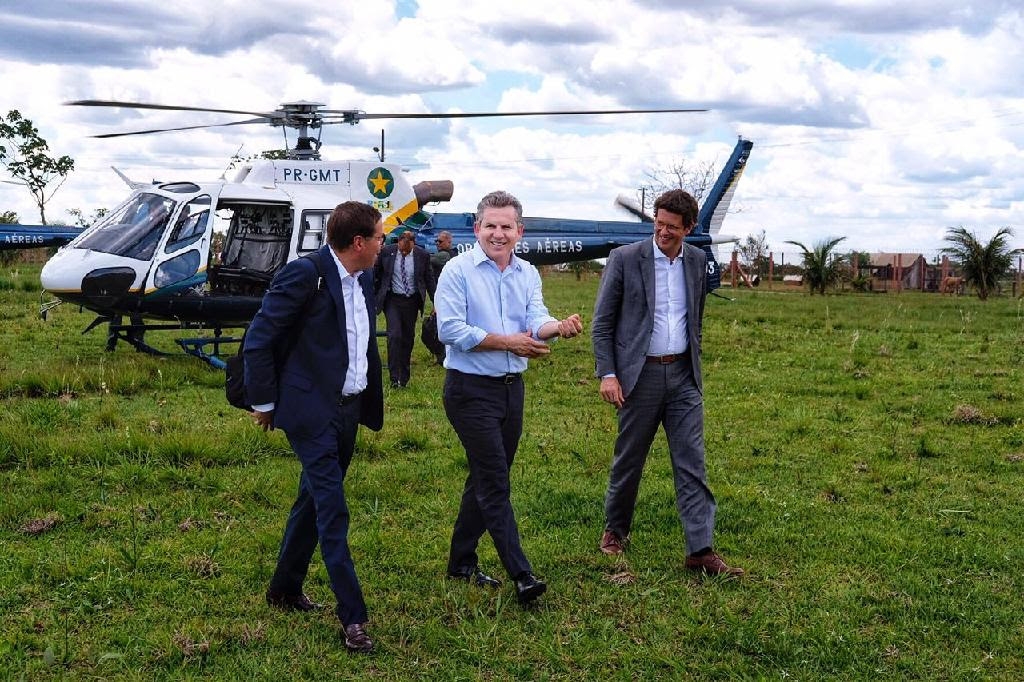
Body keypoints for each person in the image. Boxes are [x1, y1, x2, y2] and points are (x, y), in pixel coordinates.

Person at [244, 201, 385, 653]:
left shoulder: (364, 279)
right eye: (379, 237)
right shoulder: (305, 275)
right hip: (310, 412)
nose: (383, 244)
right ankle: (353, 618)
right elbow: (259, 338)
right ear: (358, 242)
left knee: (312, 501)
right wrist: (264, 402)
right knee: (332, 509)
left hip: (349, 410)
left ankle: (284, 588)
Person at [435, 190, 583, 604]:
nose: (498, 234)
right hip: (468, 390)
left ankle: (461, 563)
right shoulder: (457, 270)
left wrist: (558, 327)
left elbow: (535, 320)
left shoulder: (527, 273)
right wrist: (507, 342)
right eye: (490, 226)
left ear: (520, 231)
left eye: (506, 226)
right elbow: (449, 330)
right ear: (476, 228)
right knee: (495, 481)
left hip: (510, 390)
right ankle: (522, 574)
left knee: (486, 476)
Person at [591, 189, 743, 577]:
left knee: (692, 463)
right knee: (629, 459)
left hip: (683, 377)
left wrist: (692, 362)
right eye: (658, 224)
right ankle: (615, 531)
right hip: (638, 377)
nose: (662, 232)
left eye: (672, 227)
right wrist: (608, 373)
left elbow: (696, 319)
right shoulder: (625, 259)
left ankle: (700, 550)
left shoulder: (697, 261)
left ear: (688, 228)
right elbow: (602, 323)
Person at [373, 231, 436, 387]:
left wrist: (436, 302)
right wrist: (374, 296)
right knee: (394, 335)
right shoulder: (387, 252)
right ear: (398, 242)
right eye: (402, 250)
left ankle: (404, 376)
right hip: (392, 299)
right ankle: (394, 377)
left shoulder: (422, 255)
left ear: (414, 244)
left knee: (407, 338)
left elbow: (429, 279)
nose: (404, 253)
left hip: (412, 301)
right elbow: (377, 275)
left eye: (407, 251)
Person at [424, 230, 459, 365]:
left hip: (446, 298)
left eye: (440, 241)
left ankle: (443, 356)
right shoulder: (452, 255)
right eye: (436, 241)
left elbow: (427, 260)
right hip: (447, 297)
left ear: (449, 242)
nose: (437, 243)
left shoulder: (444, 255)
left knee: (435, 329)